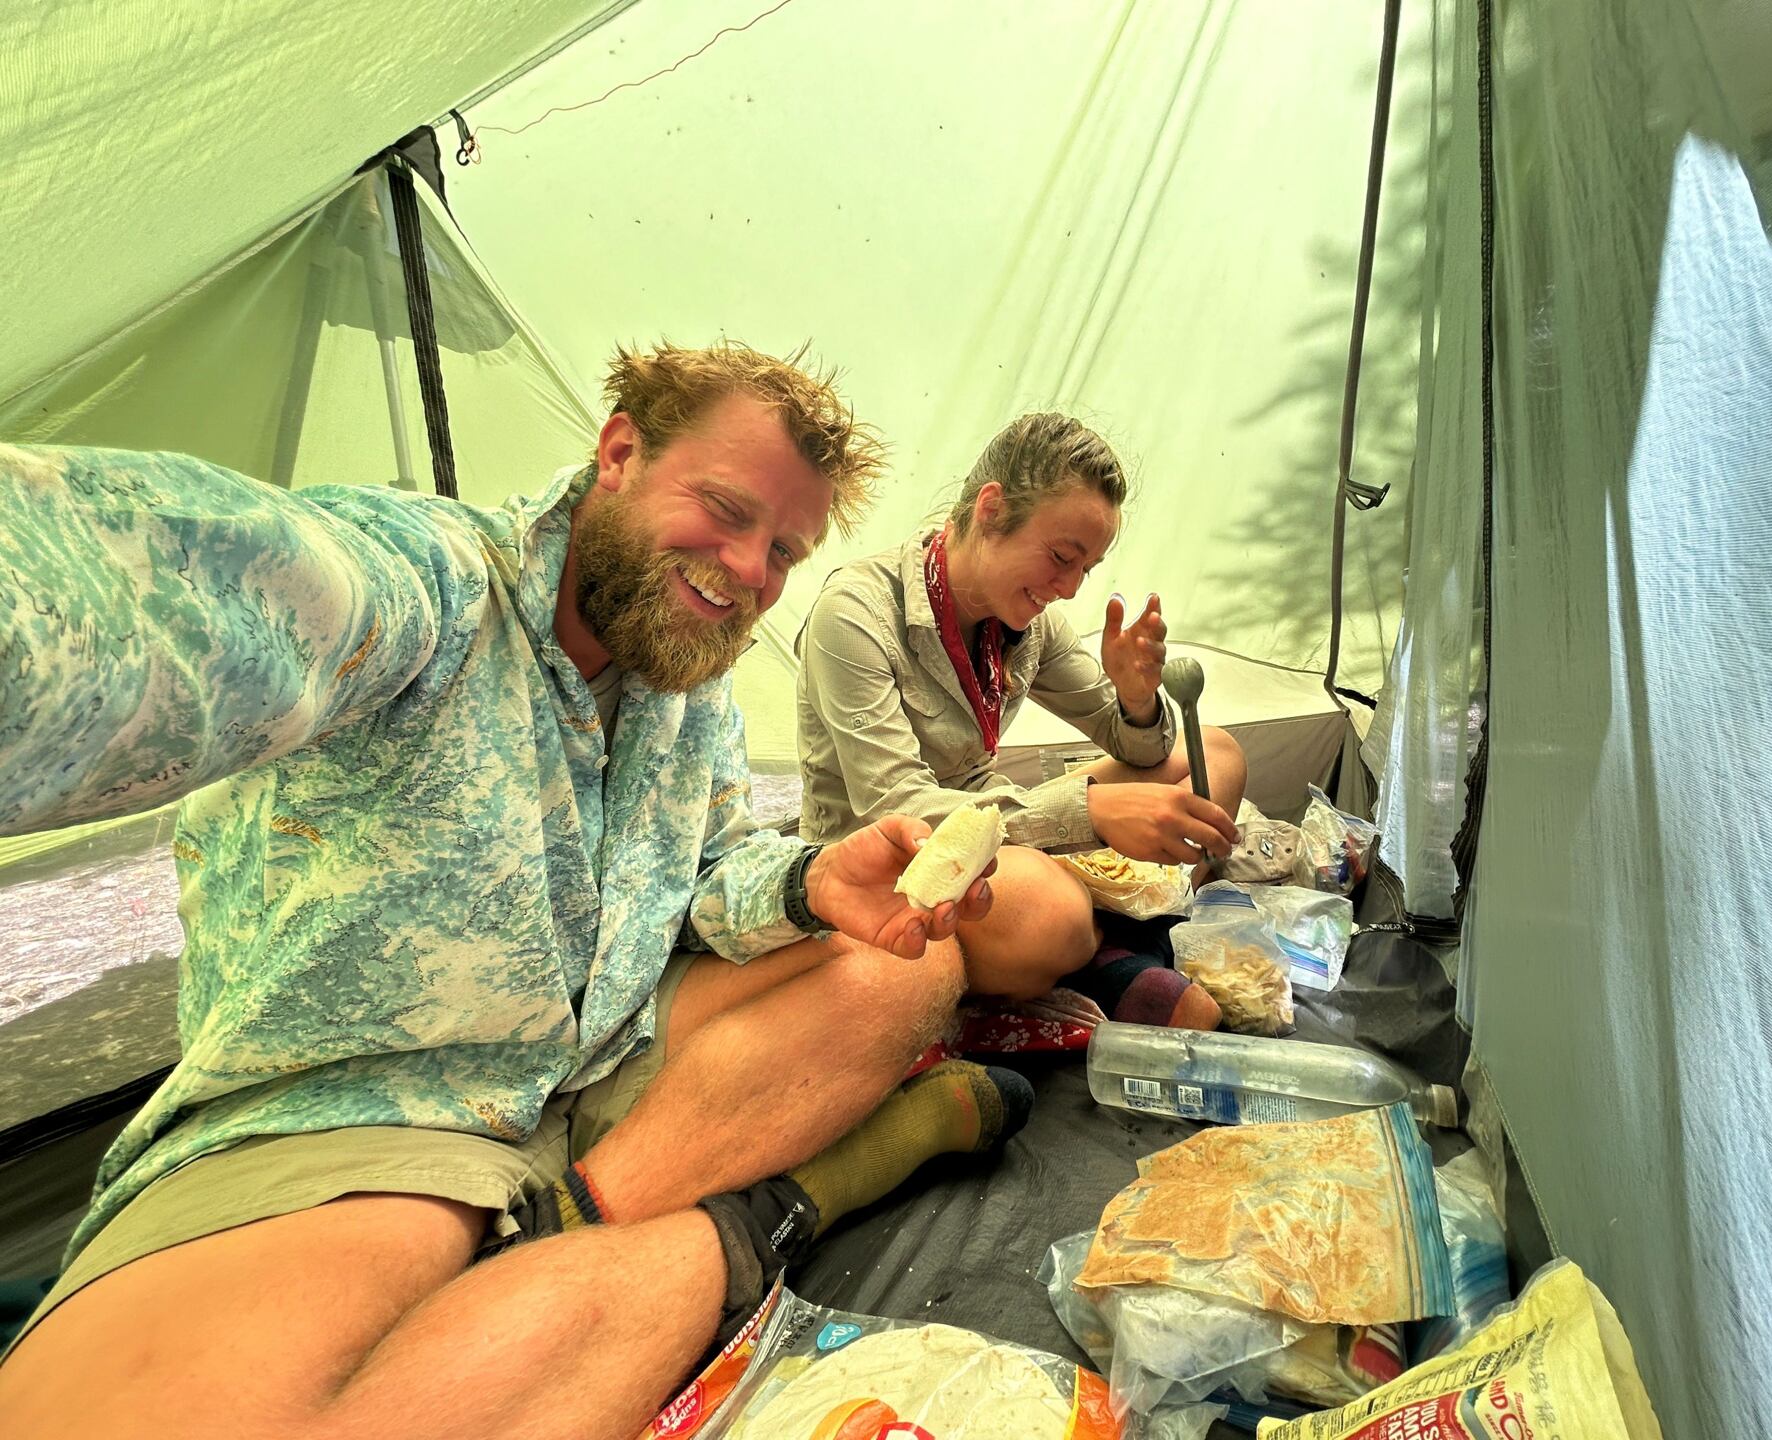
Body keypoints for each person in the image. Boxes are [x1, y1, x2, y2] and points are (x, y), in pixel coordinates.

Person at [0, 342, 1029, 1440]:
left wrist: (811, 881)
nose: (747, 569)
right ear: (620, 453)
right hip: (375, 1110)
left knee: (903, 969)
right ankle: (786, 1204)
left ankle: (568, 1242)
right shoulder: (430, 583)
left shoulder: (688, 678)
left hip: (610, 1048)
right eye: (726, 510)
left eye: (783, 549)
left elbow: (706, 875)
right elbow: (183, 591)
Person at [796, 412, 1247, 1022]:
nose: (1070, 588)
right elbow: (895, 805)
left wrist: (1136, 698)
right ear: (991, 511)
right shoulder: (854, 615)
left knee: (1214, 755)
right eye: (1062, 557)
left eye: (1086, 570)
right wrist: (1091, 813)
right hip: (898, 863)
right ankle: (1102, 947)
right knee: (1049, 912)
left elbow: (1140, 749)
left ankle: (1114, 935)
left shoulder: (1029, 621)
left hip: (995, 826)